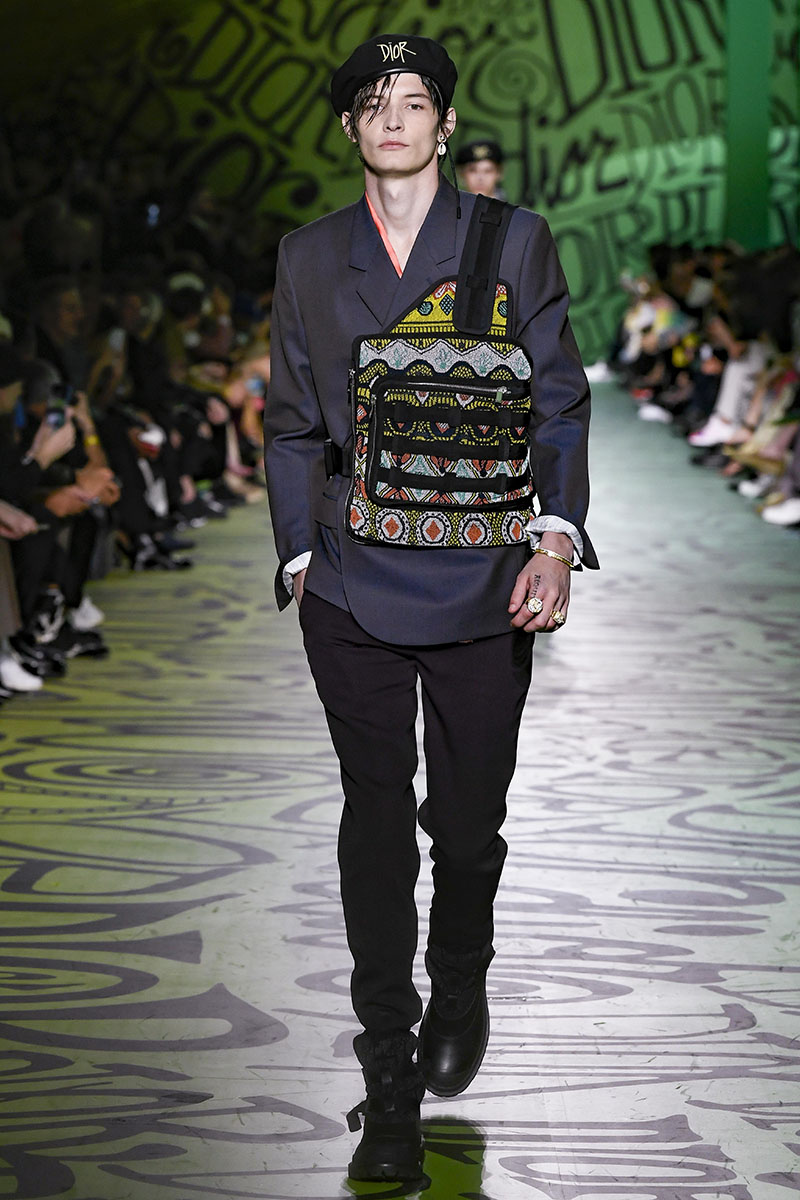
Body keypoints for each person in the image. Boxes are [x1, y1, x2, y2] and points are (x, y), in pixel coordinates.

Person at [263, 33, 597, 1184]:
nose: (394, 118)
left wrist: (553, 538)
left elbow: (557, 403)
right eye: (374, 103)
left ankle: (459, 976)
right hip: (350, 577)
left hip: (484, 579)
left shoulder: (513, 240)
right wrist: (298, 554)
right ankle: (389, 1083)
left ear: (444, 124)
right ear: (350, 127)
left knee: (462, 826)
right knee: (373, 823)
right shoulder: (310, 255)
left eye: (414, 101)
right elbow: (291, 420)